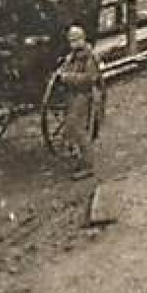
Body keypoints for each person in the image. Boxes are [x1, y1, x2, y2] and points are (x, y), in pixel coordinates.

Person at [55, 24, 103, 180]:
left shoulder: (90, 57)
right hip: (73, 95)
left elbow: (90, 79)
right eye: (71, 40)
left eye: (76, 39)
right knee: (71, 128)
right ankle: (81, 160)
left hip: (85, 95)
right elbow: (65, 68)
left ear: (83, 38)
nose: (73, 43)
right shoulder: (73, 56)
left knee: (80, 130)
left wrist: (67, 78)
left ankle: (88, 166)